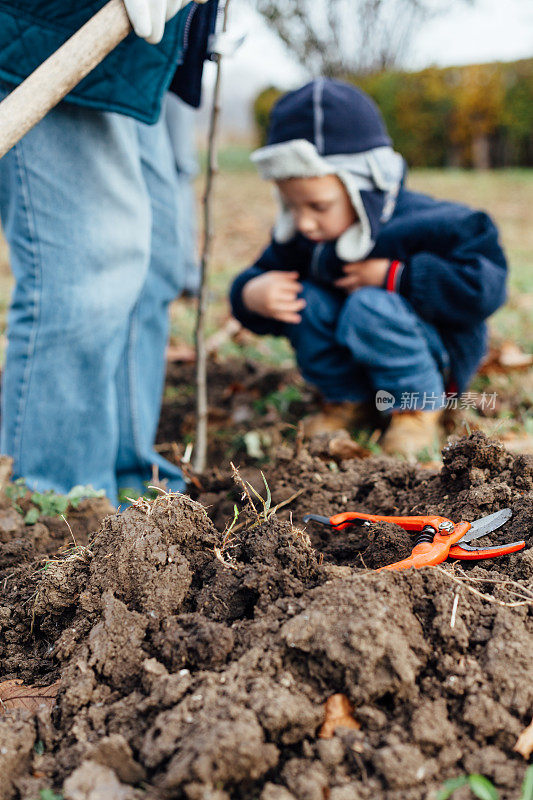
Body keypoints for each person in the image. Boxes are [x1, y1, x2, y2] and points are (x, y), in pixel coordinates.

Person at [0, 0, 218, 504]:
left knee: (154, 264)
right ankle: (57, 500)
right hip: (53, 24)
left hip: (137, 53)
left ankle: (123, 472)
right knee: (88, 264)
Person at [230, 79, 508, 459]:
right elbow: (258, 273)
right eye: (291, 207)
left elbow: (485, 285)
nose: (304, 223)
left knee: (370, 305)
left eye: (318, 206)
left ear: (364, 187)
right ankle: (347, 399)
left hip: (434, 360)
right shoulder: (304, 238)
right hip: (359, 365)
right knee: (303, 297)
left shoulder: (435, 223)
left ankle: (417, 408)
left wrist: (397, 277)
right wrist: (252, 294)